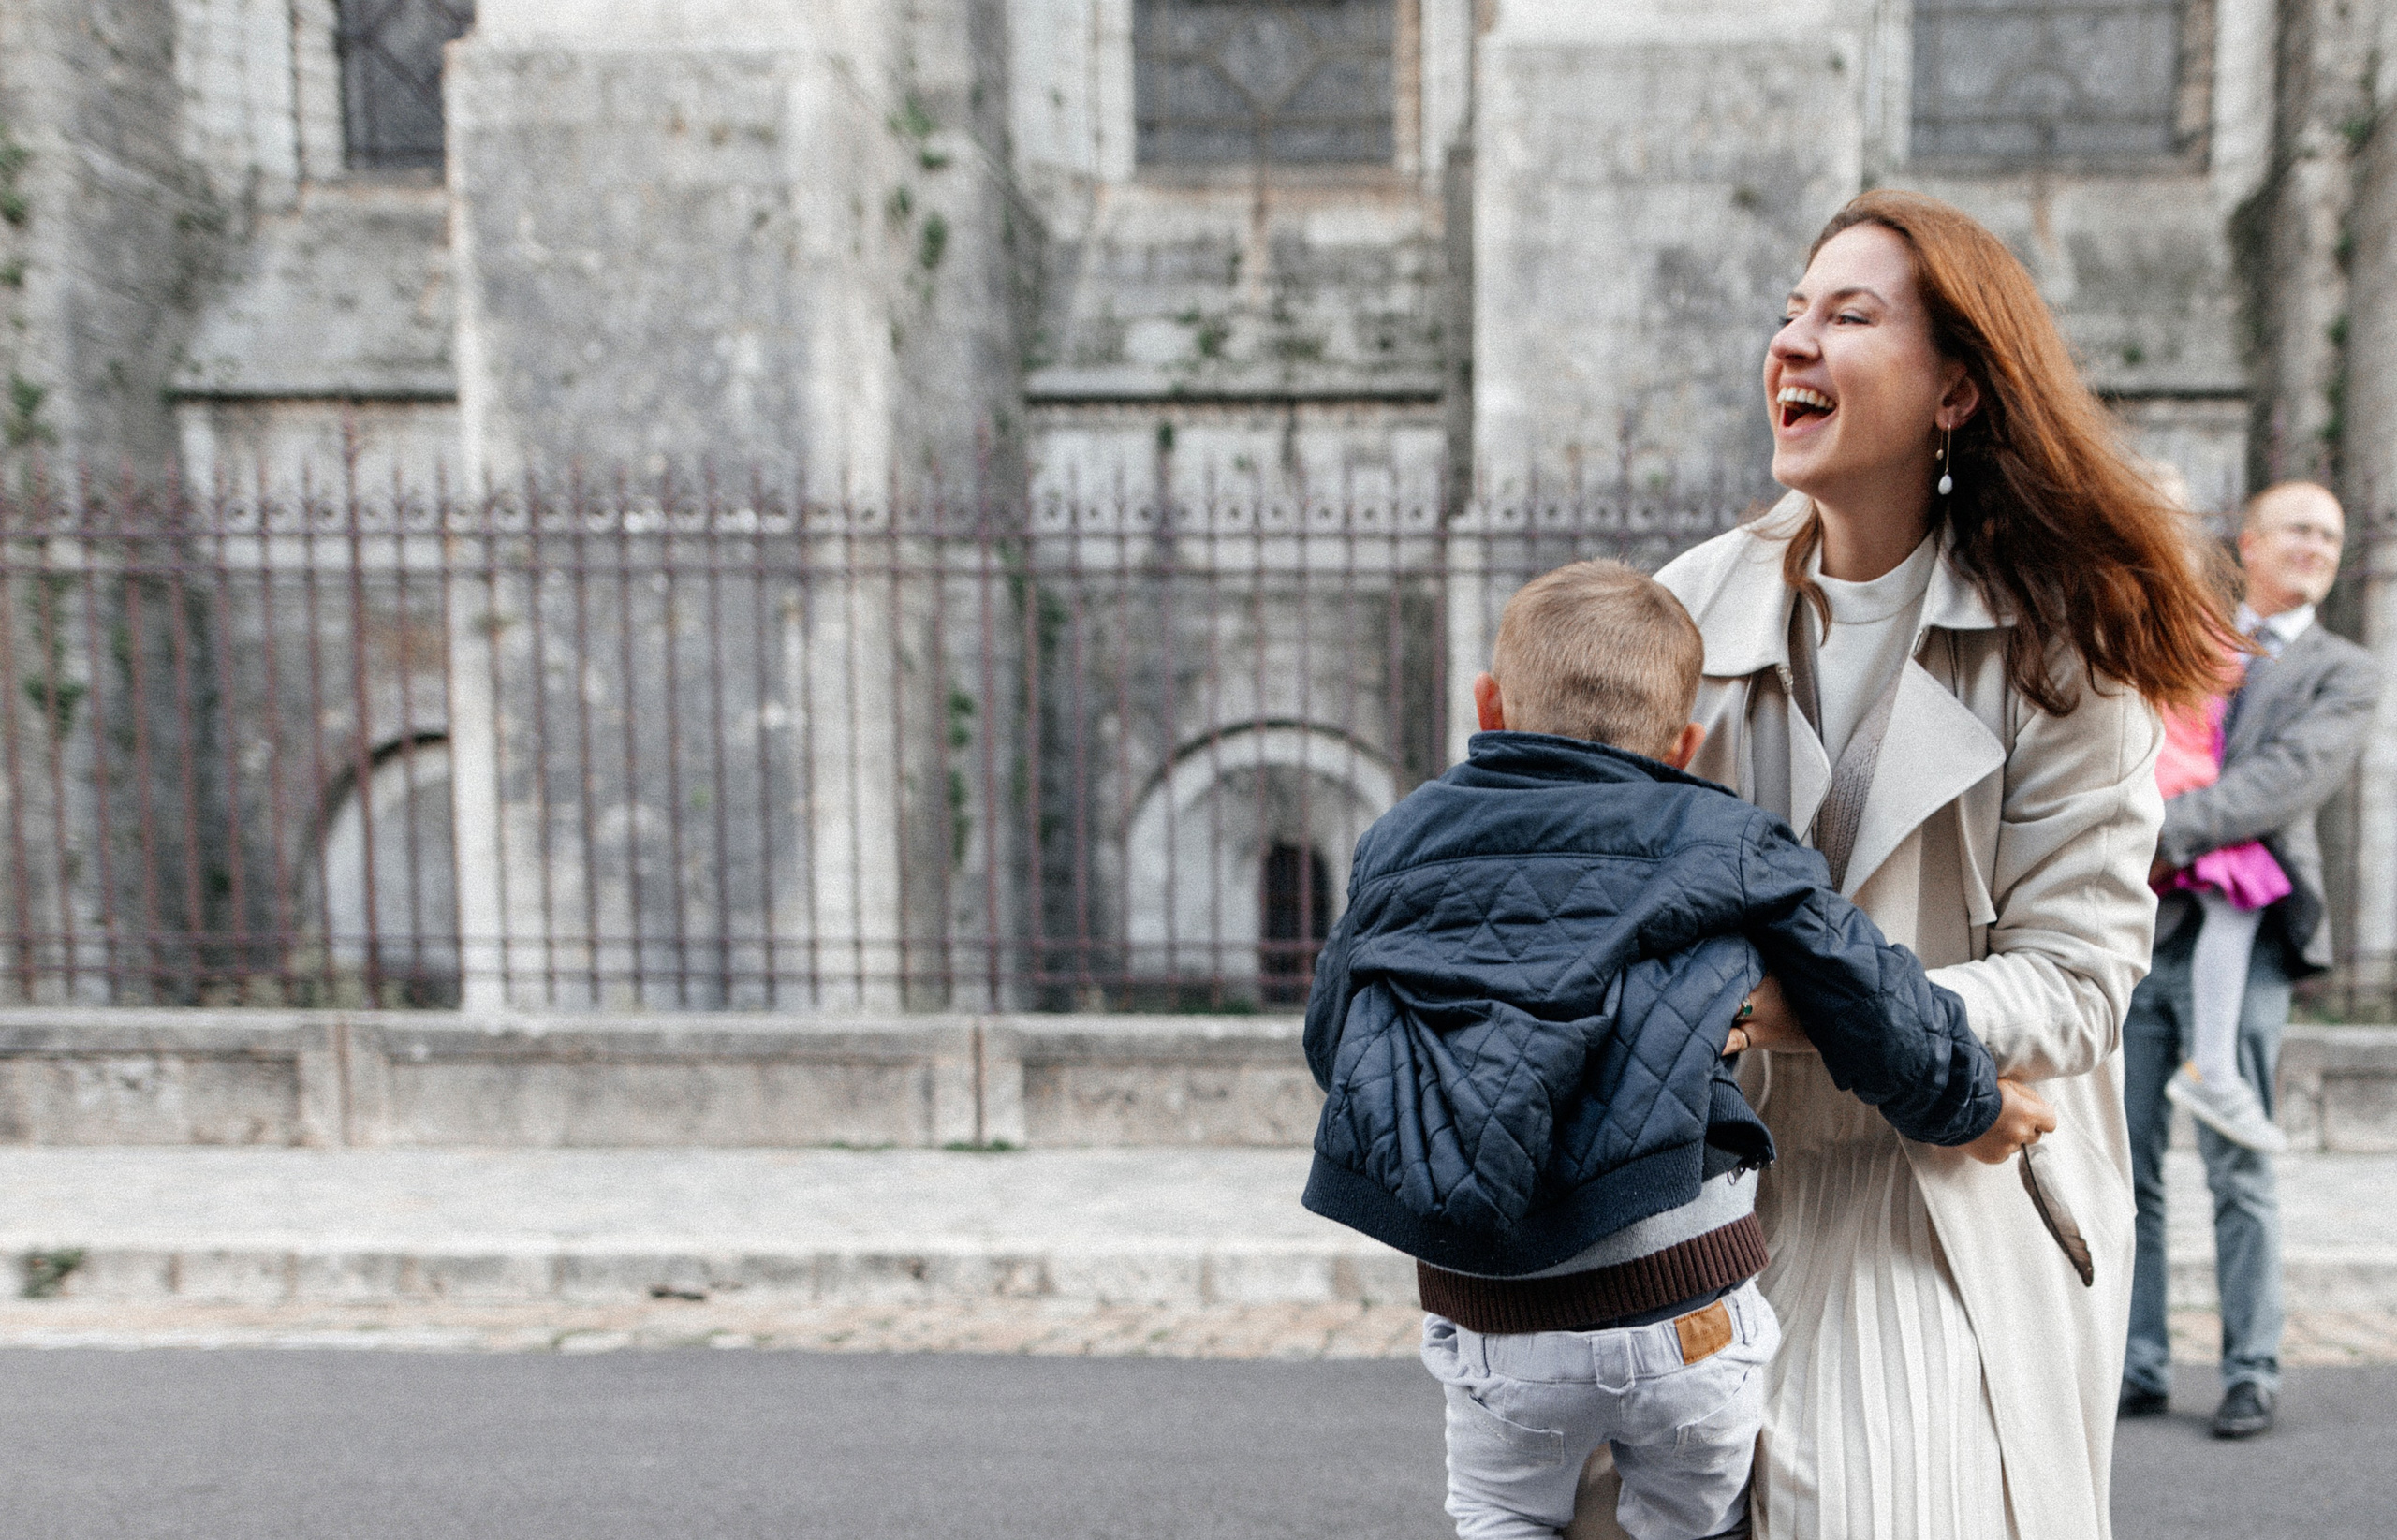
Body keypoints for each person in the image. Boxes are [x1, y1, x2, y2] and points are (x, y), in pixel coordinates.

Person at [1651, 190, 2239, 1540]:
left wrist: (1825, 1010)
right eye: (1790, 309)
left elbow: (2084, 984)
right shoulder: (1688, 606)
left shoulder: (2064, 648)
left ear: (1958, 389)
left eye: (1847, 316)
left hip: (1938, 1189)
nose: (1792, 343)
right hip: (1693, 1193)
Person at [1298, 558, 2051, 1540]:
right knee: (1693, 1523)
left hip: (1496, 1320)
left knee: (1497, 1514)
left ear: (1488, 706)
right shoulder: (1725, 833)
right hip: (1683, 1307)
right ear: (1687, 743)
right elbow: (1869, 991)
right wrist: (1973, 1107)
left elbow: (1333, 1035)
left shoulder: (1402, 837)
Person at [2120, 481, 2381, 1439]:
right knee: (2128, 1158)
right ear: (2252, 540)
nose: (2316, 545)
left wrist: (2152, 831)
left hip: (2247, 930)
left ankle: (2249, 1368)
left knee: (2237, 1159)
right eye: (2300, 528)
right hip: (2140, 928)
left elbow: (2283, 783)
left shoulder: (2343, 669)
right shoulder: (2185, 631)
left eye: (2331, 533)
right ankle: (2137, 1362)